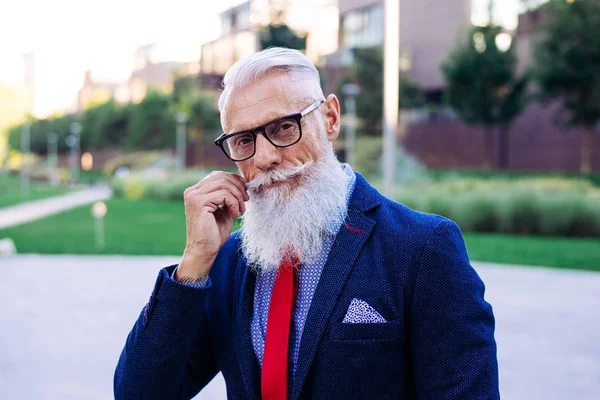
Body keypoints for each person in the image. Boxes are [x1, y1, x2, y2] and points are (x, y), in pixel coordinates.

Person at [114, 47, 499, 400]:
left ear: (330, 118)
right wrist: (194, 261)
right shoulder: (230, 261)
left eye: (283, 127)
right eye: (243, 140)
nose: (263, 157)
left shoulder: (422, 247)